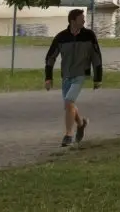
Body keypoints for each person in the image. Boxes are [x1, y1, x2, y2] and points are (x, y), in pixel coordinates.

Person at [44, 9, 104, 148]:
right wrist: (48, 77)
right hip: (66, 75)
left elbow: (96, 57)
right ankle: (81, 124)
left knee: (69, 101)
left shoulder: (89, 35)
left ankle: (68, 134)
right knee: (68, 105)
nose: (84, 21)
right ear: (73, 21)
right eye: (81, 19)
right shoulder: (61, 37)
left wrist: (98, 78)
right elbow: (50, 57)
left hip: (81, 74)